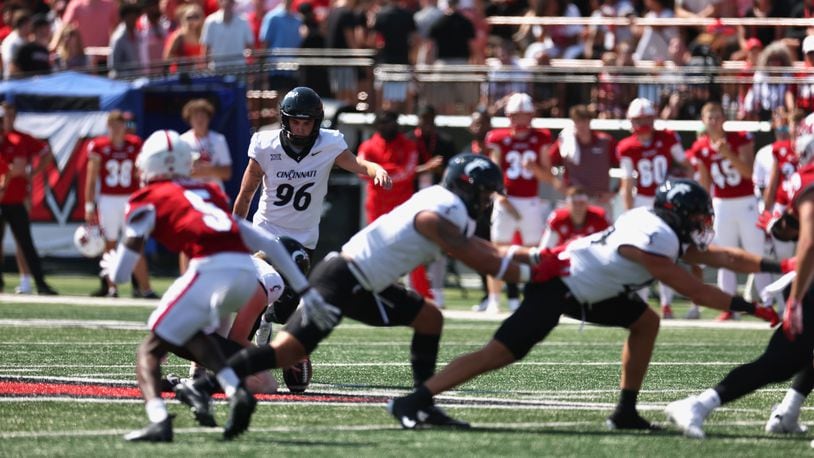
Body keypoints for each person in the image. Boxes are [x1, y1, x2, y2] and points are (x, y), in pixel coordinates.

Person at [180, 153, 570, 435]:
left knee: (429, 317)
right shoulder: (443, 208)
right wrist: (529, 270)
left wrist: (535, 258)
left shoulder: (447, 204)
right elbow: (472, 252)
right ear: (468, 188)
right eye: (486, 194)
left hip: (365, 282)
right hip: (344, 278)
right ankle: (205, 384)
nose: (487, 202)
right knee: (288, 352)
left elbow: (483, 251)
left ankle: (421, 403)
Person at [388, 179, 784, 431]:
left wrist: (780, 264)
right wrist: (751, 306)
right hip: (560, 287)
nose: (701, 224)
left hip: (591, 290)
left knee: (645, 321)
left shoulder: (658, 228)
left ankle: (625, 411)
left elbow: (724, 259)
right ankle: (417, 398)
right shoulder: (655, 237)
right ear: (677, 214)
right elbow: (695, 291)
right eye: (697, 217)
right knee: (500, 353)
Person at [107, 129, 331, 441]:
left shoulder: (146, 199)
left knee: (151, 348)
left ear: (150, 164)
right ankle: (233, 389)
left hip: (211, 269)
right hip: (243, 269)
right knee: (196, 334)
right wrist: (305, 289)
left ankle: (159, 420)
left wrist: (110, 265)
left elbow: (120, 275)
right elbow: (264, 239)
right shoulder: (206, 192)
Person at [664, 135, 814, 440]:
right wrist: (795, 299)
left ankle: (788, 410)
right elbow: (807, 239)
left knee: (787, 359)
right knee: (781, 360)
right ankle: (698, 405)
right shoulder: (807, 179)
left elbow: (795, 231)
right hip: (807, 282)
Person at [232, 86, 392, 252]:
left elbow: (358, 163)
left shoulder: (329, 144)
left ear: (316, 122)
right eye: (295, 122)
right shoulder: (266, 145)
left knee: (292, 278)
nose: (300, 128)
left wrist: (377, 170)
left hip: (304, 237)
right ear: (286, 120)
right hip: (268, 230)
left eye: (306, 123)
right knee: (269, 276)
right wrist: (234, 234)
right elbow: (246, 194)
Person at [688, 101, 769, 321]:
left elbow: (748, 173)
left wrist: (727, 152)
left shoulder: (740, 138)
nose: (714, 121)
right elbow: (705, 183)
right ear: (703, 122)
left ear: (724, 119)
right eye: (709, 117)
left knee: (755, 253)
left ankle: (769, 301)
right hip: (721, 204)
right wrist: (704, 212)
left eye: (717, 116)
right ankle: (729, 306)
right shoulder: (700, 147)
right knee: (724, 256)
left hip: (746, 201)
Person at [478, 92, 552, 313]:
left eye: (524, 116)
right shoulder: (498, 138)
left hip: (530, 200)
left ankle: (531, 298)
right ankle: (493, 300)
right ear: (509, 116)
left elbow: (548, 176)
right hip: (505, 200)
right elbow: (493, 171)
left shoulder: (541, 137)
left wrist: (535, 169)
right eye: (515, 116)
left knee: (532, 252)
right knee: (498, 250)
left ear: (531, 117)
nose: (520, 121)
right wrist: (498, 195)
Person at [616, 97, 688, 319]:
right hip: (644, 202)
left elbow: (686, 165)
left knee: (668, 253)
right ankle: (644, 303)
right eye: (639, 119)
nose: (643, 124)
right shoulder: (627, 147)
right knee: (642, 255)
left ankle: (666, 303)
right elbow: (627, 184)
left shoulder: (667, 138)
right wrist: (628, 212)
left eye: (646, 119)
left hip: (665, 201)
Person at [84, 110, 155, 298]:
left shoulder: (135, 144)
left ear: (125, 126)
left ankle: (145, 288)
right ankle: (112, 288)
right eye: (113, 125)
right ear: (108, 127)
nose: (116, 129)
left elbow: (142, 173)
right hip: (107, 199)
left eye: (119, 124)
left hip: (130, 199)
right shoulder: (99, 146)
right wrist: (89, 205)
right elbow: (91, 179)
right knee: (110, 243)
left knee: (136, 242)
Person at [0, 102, 57, 295]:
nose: (5, 121)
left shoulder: (18, 139)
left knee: (24, 242)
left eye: (8, 116)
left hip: (16, 198)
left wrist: (31, 173)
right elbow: (13, 169)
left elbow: (21, 165)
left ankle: (36, 281)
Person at [545, 104, 617, 215]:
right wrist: (558, 185)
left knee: (604, 231)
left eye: (585, 121)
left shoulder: (605, 141)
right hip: (575, 200)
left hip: (600, 200)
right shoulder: (565, 143)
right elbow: (546, 162)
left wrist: (614, 192)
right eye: (578, 121)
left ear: (590, 122)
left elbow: (625, 164)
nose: (582, 125)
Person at [179, 99, 232, 190]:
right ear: (189, 119)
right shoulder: (182, 141)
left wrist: (209, 170)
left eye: (203, 116)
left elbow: (227, 173)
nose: (200, 120)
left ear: (209, 118)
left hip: (215, 192)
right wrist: (195, 170)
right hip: (192, 192)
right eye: (196, 116)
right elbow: (178, 172)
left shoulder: (219, 139)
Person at [539, 186, 609, 249]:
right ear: (567, 205)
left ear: (587, 204)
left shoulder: (599, 217)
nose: (578, 207)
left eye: (581, 203)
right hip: (565, 257)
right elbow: (546, 248)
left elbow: (608, 245)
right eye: (574, 203)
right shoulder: (557, 218)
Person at [200, 0, 253, 71]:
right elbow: (206, 48)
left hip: (239, 68)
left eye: (230, 1)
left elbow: (250, 46)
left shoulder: (243, 21)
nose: (227, 3)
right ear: (219, 2)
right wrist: (206, 67)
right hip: (217, 69)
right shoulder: (210, 21)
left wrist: (248, 64)